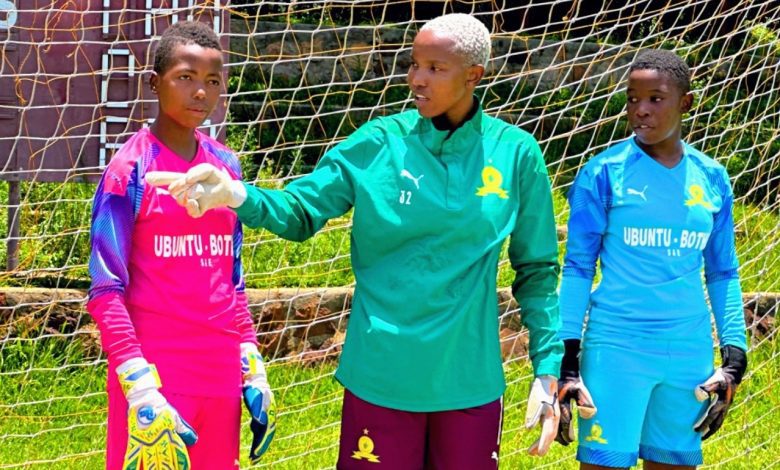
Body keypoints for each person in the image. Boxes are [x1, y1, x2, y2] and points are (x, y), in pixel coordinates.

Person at [151, 13, 563, 469]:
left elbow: (538, 271)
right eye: (414, 64)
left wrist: (548, 370)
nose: (417, 79)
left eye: (434, 68)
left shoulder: (517, 153)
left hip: (468, 382)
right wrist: (236, 194)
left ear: (474, 75)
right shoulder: (378, 143)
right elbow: (300, 211)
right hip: (380, 375)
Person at [86, 21, 274, 470]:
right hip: (157, 372)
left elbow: (232, 277)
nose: (200, 93)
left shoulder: (225, 168)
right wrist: (137, 381)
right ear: (155, 83)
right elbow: (104, 290)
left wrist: (249, 358)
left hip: (220, 371)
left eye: (212, 81)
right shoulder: (128, 171)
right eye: (185, 78)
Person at [556, 49, 748, 469]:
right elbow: (577, 268)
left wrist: (735, 356)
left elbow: (723, 270)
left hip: (688, 351)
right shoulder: (602, 173)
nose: (640, 110)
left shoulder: (712, 177)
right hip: (616, 348)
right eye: (631, 98)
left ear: (686, 102)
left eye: (655, 98)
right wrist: (567, 360)